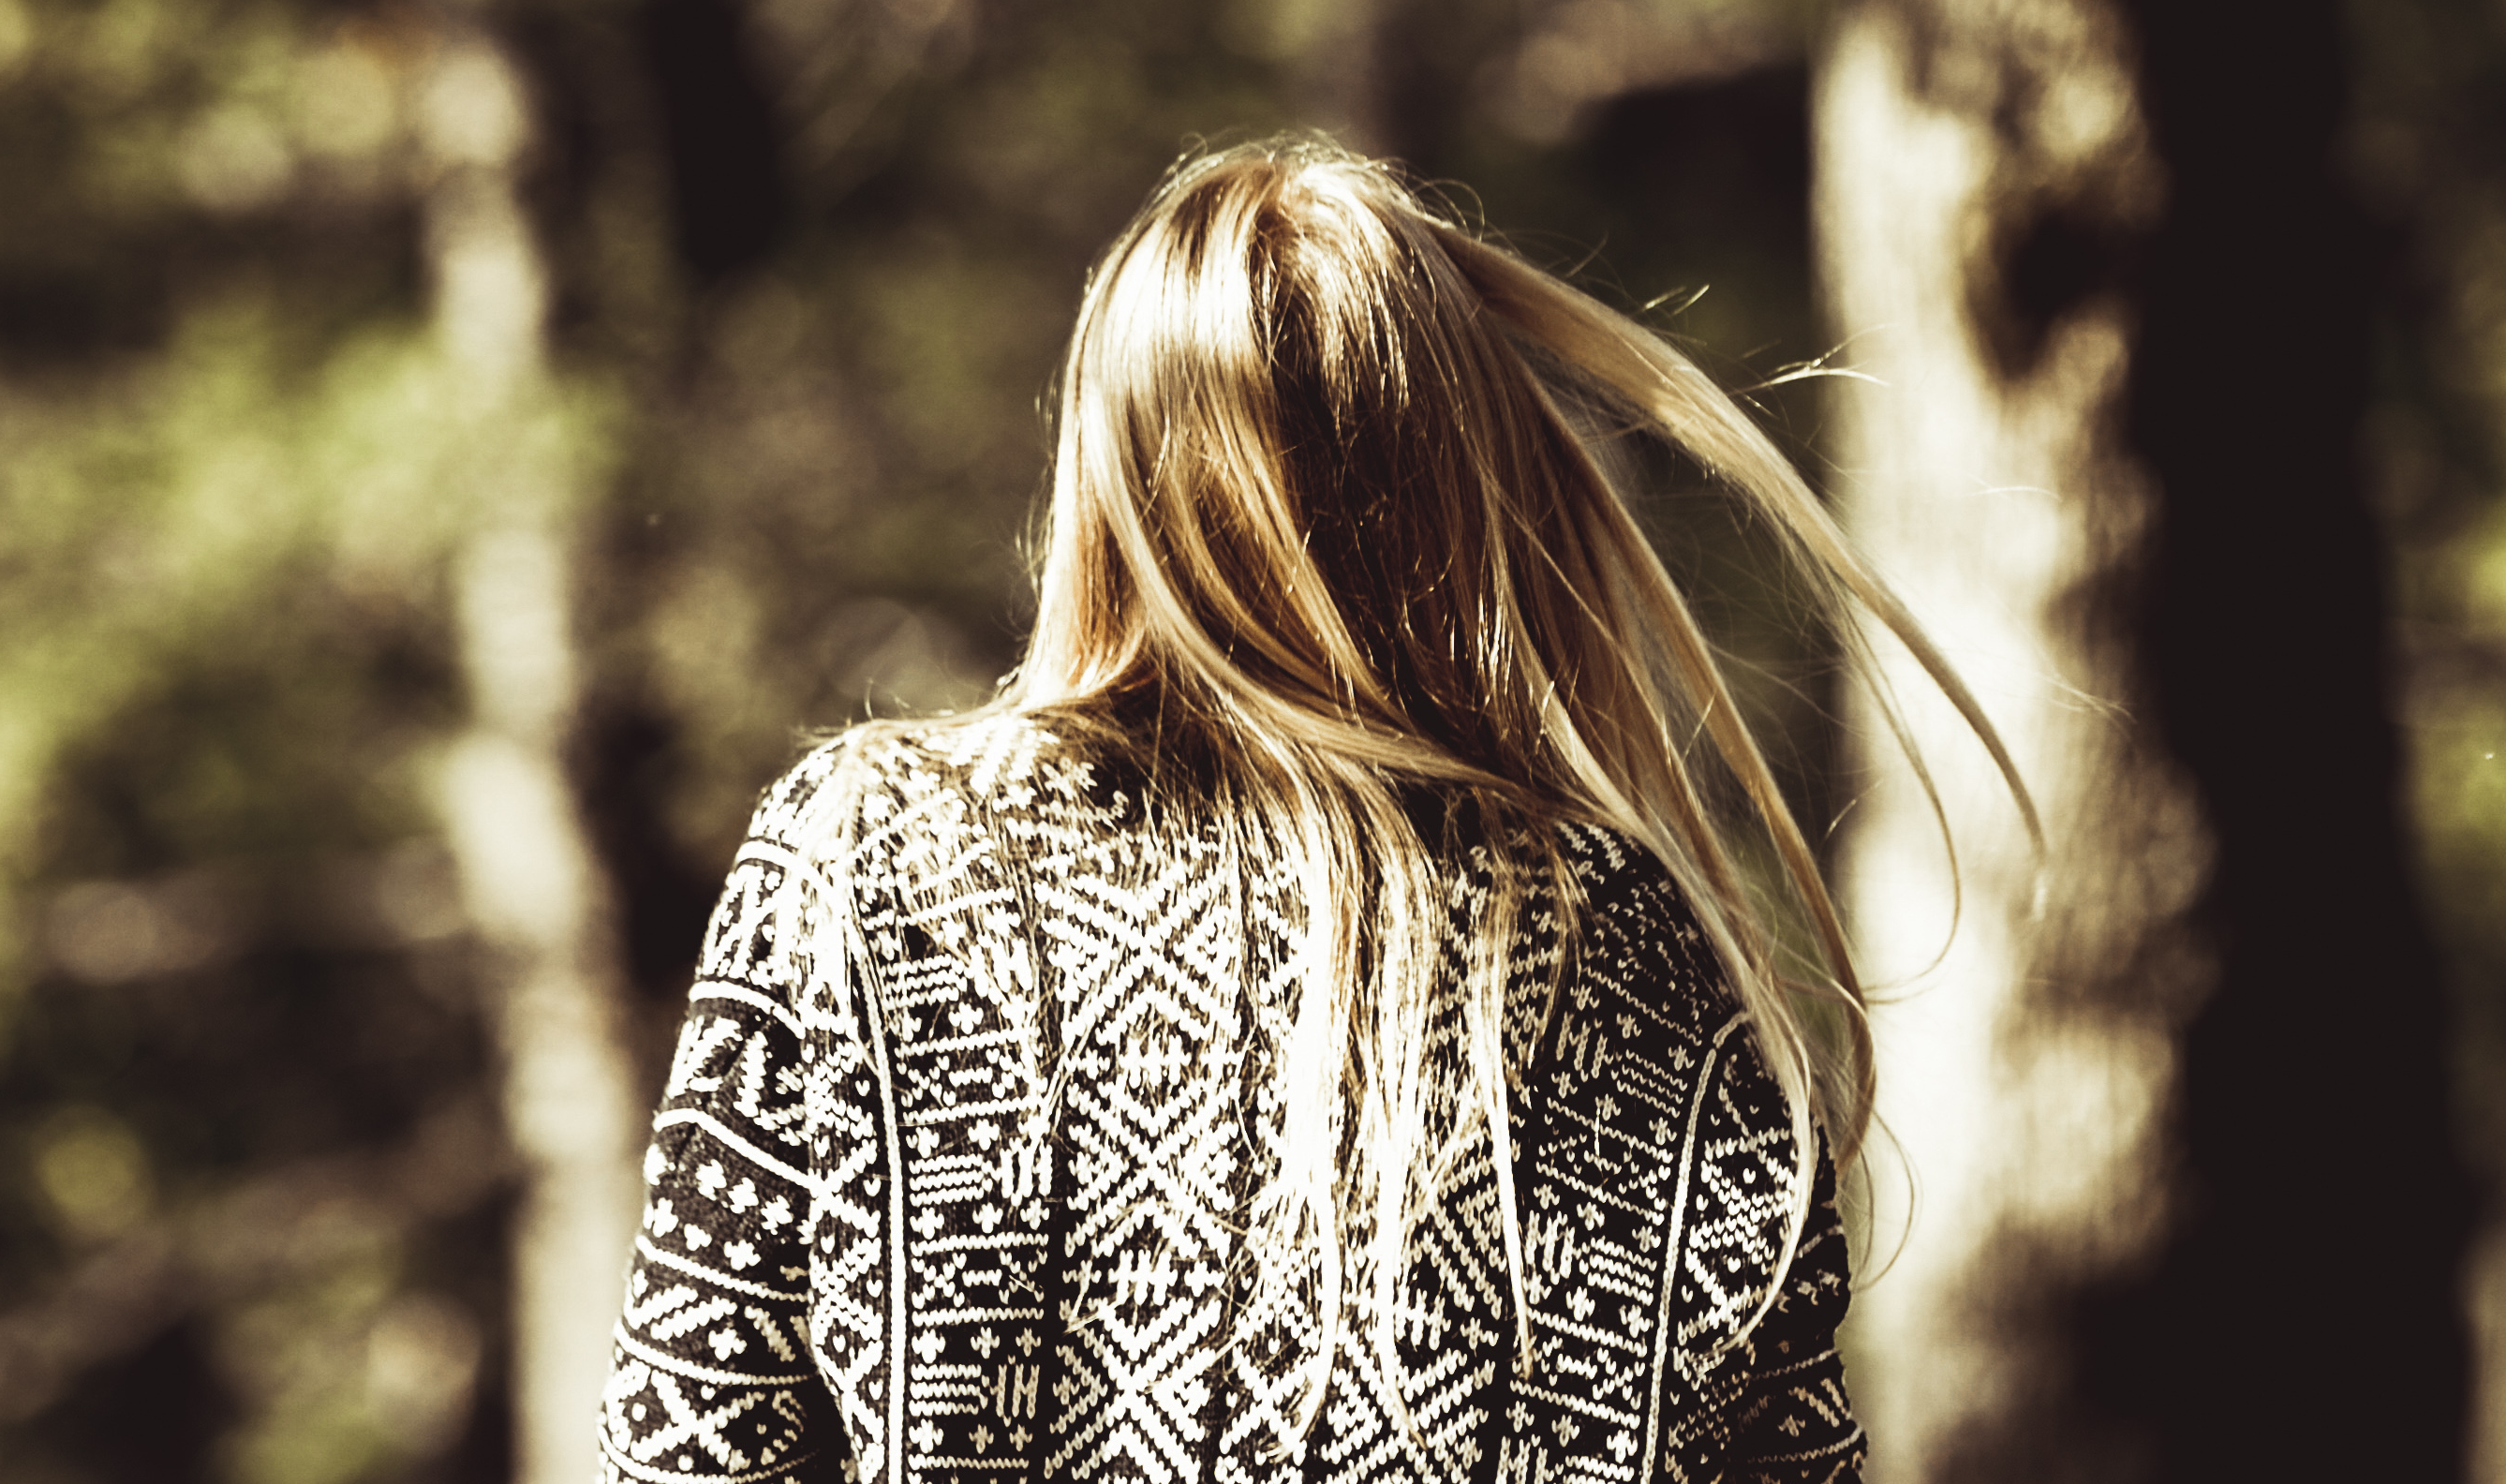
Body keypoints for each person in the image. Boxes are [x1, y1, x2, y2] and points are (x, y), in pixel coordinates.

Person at [595, 135, 2027, 1484]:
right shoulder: (1634, 944)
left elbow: (686, 1444)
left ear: (1107, 471)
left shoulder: (868, 857)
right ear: (1469, 478)